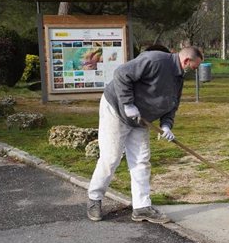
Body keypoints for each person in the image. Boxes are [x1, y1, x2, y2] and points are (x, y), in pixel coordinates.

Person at [86, 46, 203, 223]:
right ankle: (94, 199)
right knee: (111, 158)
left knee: (141, 160)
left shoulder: (178, 78)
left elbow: (172, 104)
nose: (195, 71)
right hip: (116, 109)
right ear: (186, 61)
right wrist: (128, 104)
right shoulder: (155, 60)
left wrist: (166, 126)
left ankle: (141, 207)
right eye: (194, 67)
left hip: (141, 118)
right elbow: (121, 74)